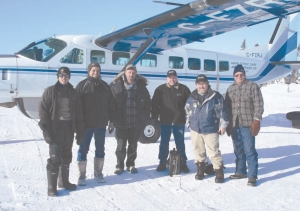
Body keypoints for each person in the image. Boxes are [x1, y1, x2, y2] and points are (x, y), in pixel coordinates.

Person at [39, 66, 85, 197]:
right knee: (55, 158)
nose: (64, 78)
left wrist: (80, 132)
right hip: (55, 129)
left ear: (69, 77)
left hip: (69, 128)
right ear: (58, 77)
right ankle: (51, 188)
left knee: (66, 156)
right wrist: (46, 131)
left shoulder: (74, 92)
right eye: (61, 76)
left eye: (66, 76)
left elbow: (80, 113)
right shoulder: (50, 91)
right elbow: (43, 112)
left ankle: (64, 182)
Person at [76, 62, 116, 185]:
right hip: (86, 125)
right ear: (89, 71)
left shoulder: (105, 86)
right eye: (93, 70)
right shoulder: (82, 86)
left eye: (98, 71)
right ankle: (82, 175)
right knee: (83, 149)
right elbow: (76, 106)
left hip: (100, 124)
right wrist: (78, 124)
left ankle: (98, 173)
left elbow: (111, 104)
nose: (96, 73)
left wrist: (112, 120)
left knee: (100, 148)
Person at [225, 64, 264, 187]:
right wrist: (227, 123)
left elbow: (259, 104)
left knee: (249, 150)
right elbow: (227, 108)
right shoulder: (230, 89)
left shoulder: (252, 86)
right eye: (236, 75)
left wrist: (257, 120)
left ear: (244, 75)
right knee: (238, 150)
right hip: (234, 125)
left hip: (248, 124)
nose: (239, 77)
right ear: (234, 76)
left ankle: (252, 176)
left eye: (241, 74)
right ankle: (241, 171)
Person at [185, 74, 228, 183]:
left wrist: (223, 126)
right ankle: (200, 169)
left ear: (207, 84)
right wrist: (188, 124)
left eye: (203, 83)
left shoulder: (216, 96)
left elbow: (224, 112)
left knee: (213, 152)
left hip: (211, 129)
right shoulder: (192, 97)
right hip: (195, 129)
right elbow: (187, 111)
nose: (202, 86)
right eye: (199, 84)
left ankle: (218, 170)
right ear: (196, 85)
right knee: (198, 151)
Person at [110, 64, 151, 175]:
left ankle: (131, 164)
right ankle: (119, 166)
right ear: (125, 73)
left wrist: (143, 118)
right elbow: (111, 104)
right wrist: (114, 119)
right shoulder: (117, 86)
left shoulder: (141, 87)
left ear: (136, 73)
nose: (131, 75)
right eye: (129, 72)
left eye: (133, 73)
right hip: (121, 122)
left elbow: (148, 104)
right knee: (121, 145)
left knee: (133, 145)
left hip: (135, 122)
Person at [152, 70, 191, 173]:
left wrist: (190, 119)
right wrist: (155, 119)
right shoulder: (160, 89)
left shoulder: (184, 89)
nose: (172, 79)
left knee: (180, 143)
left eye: (174, 77)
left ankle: (183, 163)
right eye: (170, 77)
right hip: (165, 122)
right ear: (167, 78)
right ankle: (162, 163)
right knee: (164, 143)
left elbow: (190, 105)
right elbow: (155, 105)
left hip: (179, 121)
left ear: (176, 78)